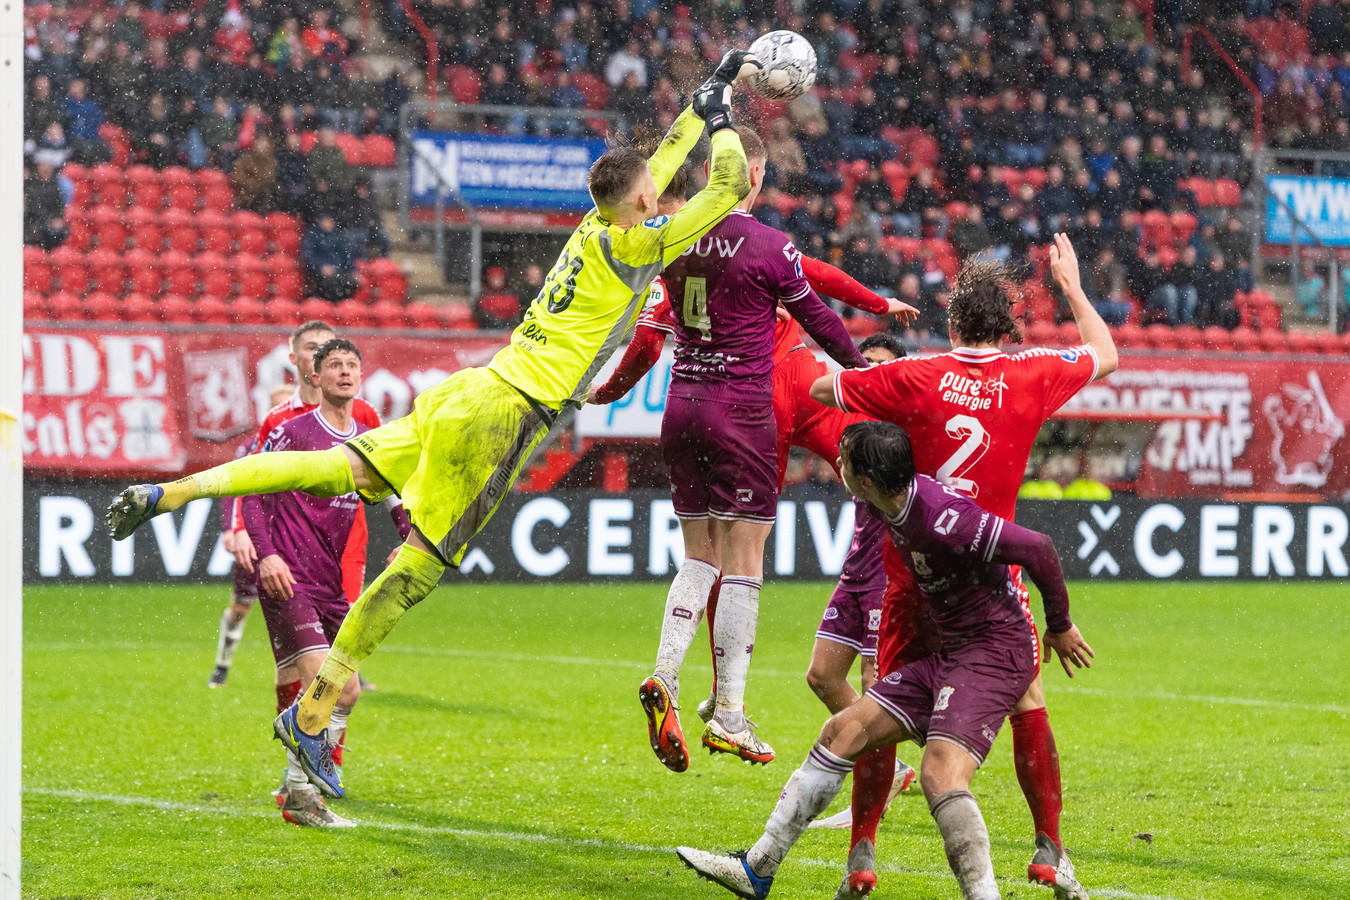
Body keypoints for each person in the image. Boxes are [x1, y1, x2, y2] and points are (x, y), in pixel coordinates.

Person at [107, 52, 763, 799]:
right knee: (417, 567)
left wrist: (710, 86)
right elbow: (729, 184)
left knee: (330, 468)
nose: (662, 191)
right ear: (642, 199)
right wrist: (721, 118)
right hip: (506, 415)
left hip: (472, 385)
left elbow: (660, 163)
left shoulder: (594, 224)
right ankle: (314, 713)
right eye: (654, 191)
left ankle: (174, 491)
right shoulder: (637, 242)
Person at [807, 234, 1115, 899]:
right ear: (1006, 330)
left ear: (950, 324)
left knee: (881, 701)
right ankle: (1048, 846)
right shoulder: (1031, 373)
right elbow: (1107, 353)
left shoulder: (913, 376)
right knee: (1027, 696)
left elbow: (823, 386)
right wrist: (1071, 287)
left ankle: (862, 852)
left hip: (912, 571)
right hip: (989, 572)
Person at [676, 420, 1094, 900]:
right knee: (841, 731)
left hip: (993, 653)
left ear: (867, 480)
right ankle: (758, 868)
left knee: (941, 774)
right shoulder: (893, 508)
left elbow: (1038, 548)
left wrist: (1059, 624)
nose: (837, 464)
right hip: (951, 652)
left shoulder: (942, 517)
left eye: (845, 459)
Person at [637, 125, 870, 769]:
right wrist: (859, 372)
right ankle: (731, 714)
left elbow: (644, 328)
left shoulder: (671, 237)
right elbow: (818, 316)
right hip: (742, 409)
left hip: (680, 405)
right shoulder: (770, 244)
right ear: (754, 180)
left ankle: (666, 675)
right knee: (745, 558)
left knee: (697, 554)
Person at [246, 338, 406, 825]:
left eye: (351, 365)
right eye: (334, 365)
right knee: (320, 683)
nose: (344, 372)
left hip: (332, 582)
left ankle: (298, 783)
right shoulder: (293, 431)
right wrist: (267, 554)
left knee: (349, 691)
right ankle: (301, 799)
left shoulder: (365, 440)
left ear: (361, 376)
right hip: (288, 577)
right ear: (315, 377)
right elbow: (251, 491)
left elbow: (391, 496)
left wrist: (409, 537)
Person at [208, 384, 293, 690]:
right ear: (269, 412)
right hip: (258, 538)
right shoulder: (253, 446)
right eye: (280, 408)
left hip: (293, 538)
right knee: (242, 606)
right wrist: (234, 530)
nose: (286, 414)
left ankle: (338, 673)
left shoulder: (306, 442)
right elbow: (235, 488)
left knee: (307, 605)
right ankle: (222, 663)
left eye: (290, 407)